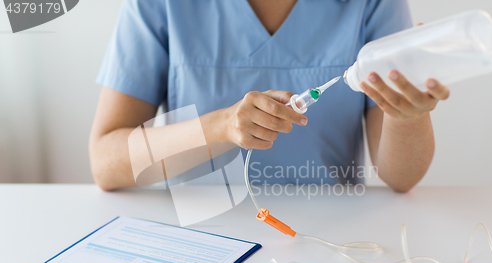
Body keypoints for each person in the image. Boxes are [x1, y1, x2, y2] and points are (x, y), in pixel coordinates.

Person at [89, 0, 450, 192]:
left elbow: (400, 178)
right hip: (197, 239)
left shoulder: (371, 4)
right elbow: (106, 162)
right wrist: (222, 126)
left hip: (331, 238)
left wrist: (408, 114)